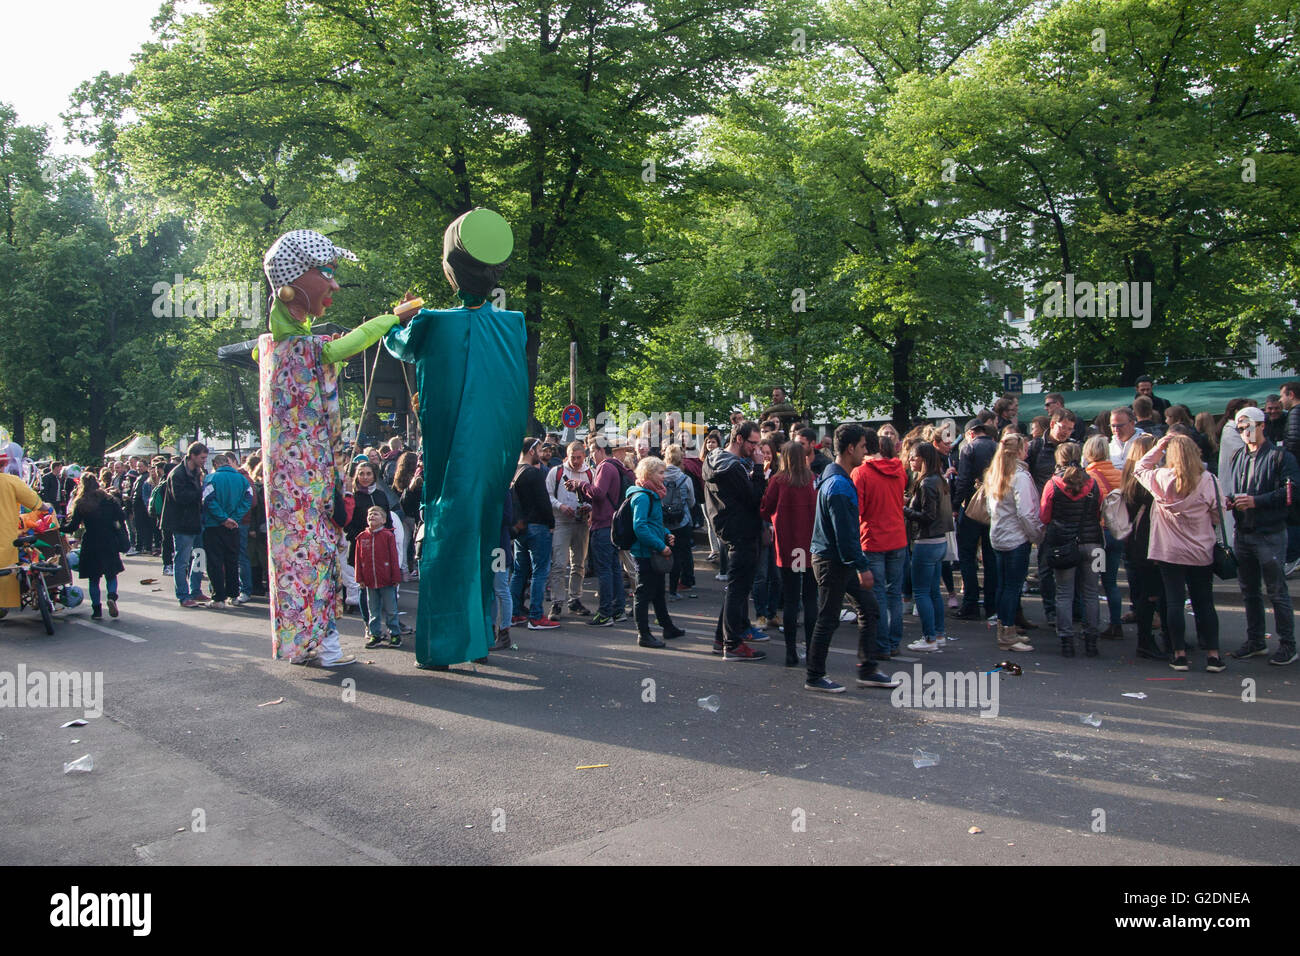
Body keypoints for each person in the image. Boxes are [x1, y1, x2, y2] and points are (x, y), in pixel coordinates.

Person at [259, 229, 405, 669]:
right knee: (313, 557)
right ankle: (324, 646)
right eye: (326, 273)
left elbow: (330, 352)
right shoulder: (301, 350)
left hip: (296, 482)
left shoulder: (276, 349)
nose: (335, 285)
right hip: (303, 483)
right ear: (291, 285)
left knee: (298, 561)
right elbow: (347, 345)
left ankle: (305, 645)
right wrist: (392, 317)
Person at [805, 423, 899, 693]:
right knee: (828, 618)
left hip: (836, 559)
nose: (866, 452)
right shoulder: (838, 485)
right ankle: (814, 675)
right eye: (862, 447)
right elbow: (846, 535)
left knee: (869, 609)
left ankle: (867, 668)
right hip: (833, 561)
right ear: (850, 449)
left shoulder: (834, 477)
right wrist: (862, 566)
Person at [1135, 434, 1224, 672]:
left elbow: (1139, 467)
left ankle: (1179, 654)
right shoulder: (1208, 480)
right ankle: (1213, 655)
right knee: (1204, 602)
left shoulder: (1160, 478)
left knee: (1174, 602)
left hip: (1169, 551)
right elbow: (1218, 514)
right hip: (1200, 550)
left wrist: (1159, 446)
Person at [1225, 407, 1297, 665]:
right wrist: (1232, 501)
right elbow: (1238, 489)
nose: (1244, 432)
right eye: (1240, 428)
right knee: (1249, 591)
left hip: (1269, 533)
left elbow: (1290, 494)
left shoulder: (1280, 456)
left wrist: (1256, 501)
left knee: (1277, 591)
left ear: (1262, 425)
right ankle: (1256, 640)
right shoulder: (1238, 456)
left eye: (1248, 426)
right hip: (1244, 532)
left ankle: (1288, 644)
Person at [703, 421, 768, 660]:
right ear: (739, 439)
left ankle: (722, 639)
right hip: (741, 531)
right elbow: (754, 498)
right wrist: (759, 469)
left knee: (735, 588)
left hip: (727, 528)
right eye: (753, 443)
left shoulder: (714, 460)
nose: (756, 448)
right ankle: (731, 645)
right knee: (738, 590)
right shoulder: (732, 468)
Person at [1039, 443, 1103, 657]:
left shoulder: (1053, 484)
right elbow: (1099, 510)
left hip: (1063, 545)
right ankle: (1092, 640)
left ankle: (1066, 640)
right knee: (1092, 593)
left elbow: (1044, 516)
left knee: (1064, 593)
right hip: (1094, 544)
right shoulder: (1093, 483)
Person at [852, 427, 908, 657]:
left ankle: (882, 645)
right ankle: (894, 643)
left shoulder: (861, 473)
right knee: (895, 593)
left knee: (878, 595)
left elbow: (859, 510)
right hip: (897, 536)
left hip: (873, 538)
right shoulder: (899, 470)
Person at [761, 441, 817, 666]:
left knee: (792, 600)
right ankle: (813, 647)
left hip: (789, 547)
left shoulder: (779, 480)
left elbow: (765, 510)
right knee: (811, 598)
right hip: (811, 546)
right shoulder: (811, 479)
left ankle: (790, 651)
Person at [986, 433, 1042, 652]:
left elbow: (990, 509)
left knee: (1003, 585)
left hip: (998, 536)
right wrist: (1036, 535)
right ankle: (1007, 633)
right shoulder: (1019, 476)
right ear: (1018, 451)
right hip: (1016, 538)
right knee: (1012, 586)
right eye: (1025, 448)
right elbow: (1026, 513)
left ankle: (1005, 629)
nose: (1027, 451)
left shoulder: (995, 473)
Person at [625, 456, 684, 648]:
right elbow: (640, 527)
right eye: (660, 472)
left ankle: (667, 627)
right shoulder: (642, 496)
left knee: (658, 591)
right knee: (643, 594)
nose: (664, 476)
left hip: (651, 550)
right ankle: (644, 634)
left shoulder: (652, 494)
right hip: (645, 553)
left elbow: (654, 523)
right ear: (649, 474)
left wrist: (666, 534)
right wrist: (661, 546)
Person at [903, 443, 954, 652]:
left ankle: (929, 637)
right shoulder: (939, 480)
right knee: (933, 591)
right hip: (940, 541)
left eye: (914, 458)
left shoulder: (926, 483)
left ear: (923, 459)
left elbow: (928, 516)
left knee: (922, 592)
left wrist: (904, 509)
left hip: (926, 542)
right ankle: (938, 633)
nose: (910, 461)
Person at [1121, 435, 1166, 659]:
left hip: (1135, 541)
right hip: (1148, 540)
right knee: (1152, 592)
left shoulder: (1128, 478)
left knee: (1145, 591)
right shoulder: (1146, 481)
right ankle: (1146, 640)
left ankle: (1147, 638)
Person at [575, 435, 627, 626]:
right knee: (614, 568)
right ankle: (618, 609)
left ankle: (605, 613)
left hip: (603, 524)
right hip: (613, 523)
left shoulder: (605, 467)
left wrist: (580, 485)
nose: (590, 454)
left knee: (605, 570)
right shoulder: (617, 466)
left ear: (599, 450)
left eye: (590, 450)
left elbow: (598, 493)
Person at [509, 438, 559, 630]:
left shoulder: (514, 471)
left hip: (521, 527)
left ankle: (514, 613)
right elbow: (543, 501)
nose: (541, 453)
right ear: (531, 451)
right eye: (539, 449)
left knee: (520, 571)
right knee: (540, 571)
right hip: (537, 526)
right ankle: (536, 616)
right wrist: (551, 523)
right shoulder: (534, 473)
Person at [62, 474, 126, 620]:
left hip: (91, 541)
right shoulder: (109, 499)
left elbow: (73, 526)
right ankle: (111, 597)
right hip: (109, 540)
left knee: (93, 578)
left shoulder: (81, 503)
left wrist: (59, 528)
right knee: (111, 574)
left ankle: (96, 610)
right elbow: (121, 516)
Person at [953, 419, 999, 622]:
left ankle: (970, 603)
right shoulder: (998, 447)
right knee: (991, 557)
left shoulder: (969, 449)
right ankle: (992, 605)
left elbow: (963, 481)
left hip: (972, 508)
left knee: (967, 555)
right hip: (994, 507)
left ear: (970, 433)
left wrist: (955, 505)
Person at [1082, 434, 1125, 639]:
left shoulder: (1088, 477)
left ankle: (1092, 624)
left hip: (1098, 536)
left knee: (1092, 583)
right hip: (1116, 533)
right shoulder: (1120, 473)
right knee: (1111, 582)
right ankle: (1116, 623)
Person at [546, 440, 594, 619]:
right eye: (573, 458)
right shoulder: (556, 472)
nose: (576, 461)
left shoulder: (589, 472)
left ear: (584, 456)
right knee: (559, 563)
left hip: (581, 522)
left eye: (579, 458)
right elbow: (548, 494)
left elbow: (594, 494)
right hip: (562, 522)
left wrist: (588, 507)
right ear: (567, 456)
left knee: (579, 563)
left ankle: (575, 599)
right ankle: (557, 601)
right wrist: (560, 506)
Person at [161, 442, 210, 608]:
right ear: (193, 456)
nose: (204, 460)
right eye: (202, 457)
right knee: (182, 559)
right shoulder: (177, 474)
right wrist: (201, 492)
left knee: (199, 555)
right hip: (182, 523)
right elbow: (180, 497)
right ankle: (183, 595)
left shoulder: (196, 472)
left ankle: (195, 590)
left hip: (195, 521)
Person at [201, 453, 253, 608]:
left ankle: (218, 598)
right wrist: (234, 518)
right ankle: (234, 595)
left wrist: (223, 518)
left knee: (215, 562)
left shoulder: (211, 479)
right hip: (234, 526)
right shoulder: (242, 480)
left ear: (215, 464)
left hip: (214, 526)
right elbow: (248, 499)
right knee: (232, 561)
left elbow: (208, 501)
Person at [355, 505, 405, 648]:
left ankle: (395, 634)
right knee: (373, 610)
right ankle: (375, 634)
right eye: (370, 514)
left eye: (376, 514)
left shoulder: (388, 536)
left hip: (387, 580)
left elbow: (394, 558)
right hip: (370, 581)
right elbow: (358, 560)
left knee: (391, 609)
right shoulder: (361, 537)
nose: (372, 516)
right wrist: (360, 578)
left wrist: (396, 577)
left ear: (384, 520)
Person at [661, 444, 697, 601]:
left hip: (662, 523)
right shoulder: (685, 479)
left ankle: (659, 588)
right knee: (679, 556)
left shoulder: (659, 477)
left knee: (660, 554)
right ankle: (674, 590)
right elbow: (691, 502)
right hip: (681, 522)